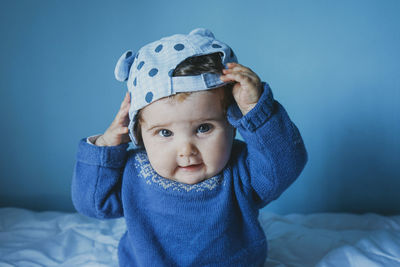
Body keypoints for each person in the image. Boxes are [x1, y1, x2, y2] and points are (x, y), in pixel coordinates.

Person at [72, 28, 307, 266]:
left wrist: (257, 113)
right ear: (139, 134)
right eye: (165, 132)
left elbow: (286, 164)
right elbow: (92, 204)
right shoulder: (134, 172)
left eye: (204, 128)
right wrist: (105, 147)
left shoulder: (242, 170)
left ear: (233, 124)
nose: (186, 150)